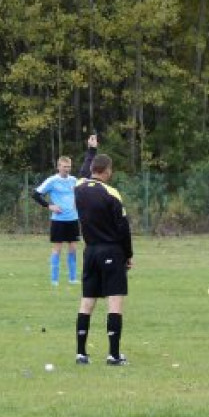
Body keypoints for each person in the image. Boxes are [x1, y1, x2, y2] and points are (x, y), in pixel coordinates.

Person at [73, 135, 133, 365]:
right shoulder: (111, 193)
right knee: (115, 302)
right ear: (107, 170)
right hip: (111, 251)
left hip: (90, 252)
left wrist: (90, 150)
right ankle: (113, 355)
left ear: (91, 169)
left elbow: (83, 171)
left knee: (87, 301)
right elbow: (123, 228)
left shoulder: (79, 187)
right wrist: (128, 255)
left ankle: (81, 353)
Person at [33, 155, 80, 286]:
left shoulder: (74, 180)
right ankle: (54, 280)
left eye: (69, 167)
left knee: (73, 249)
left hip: (73, 219)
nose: (67, 169)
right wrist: (49, 206)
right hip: (58, 220)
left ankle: (72, 278)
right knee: (57, 249)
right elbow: (35, 194)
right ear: (59, 167)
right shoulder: (52, 180)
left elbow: (79, 194)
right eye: (64, 167)